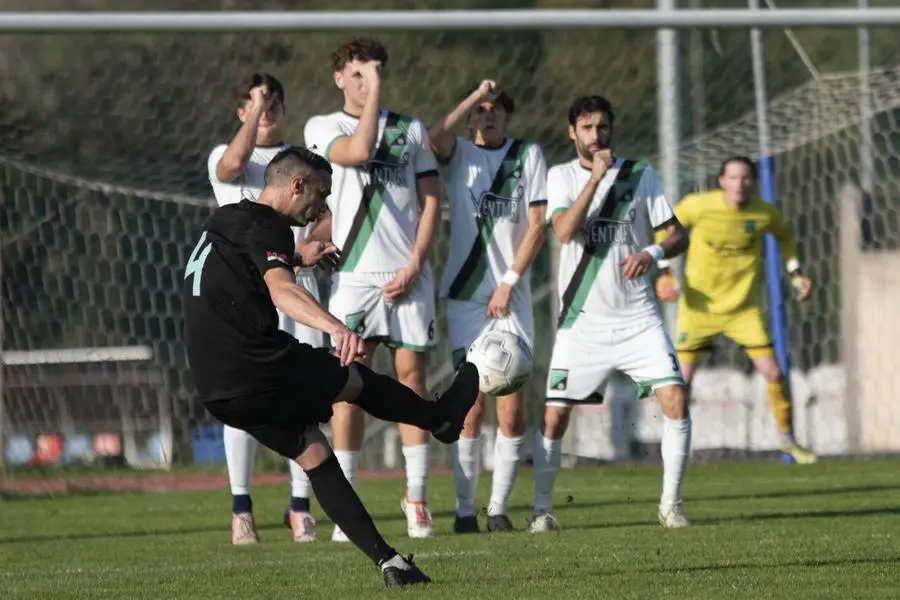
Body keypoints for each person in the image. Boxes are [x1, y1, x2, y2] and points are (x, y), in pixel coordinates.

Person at [183, 146, 479, 587]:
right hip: (255, 364)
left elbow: (250, 264)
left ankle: (391, 565)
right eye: (319, 195)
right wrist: (336, 328)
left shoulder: (228, 218)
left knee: (314, 452)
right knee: (355, 380)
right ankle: (441, 418)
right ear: (295, 185)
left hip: (216, 388)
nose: (322, 207)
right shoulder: (272, 228)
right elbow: (281, 291)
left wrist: (301, 257)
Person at [530, 95, 693, 532]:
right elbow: (564, 232)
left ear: (611, 129)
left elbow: (677, 236)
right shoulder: (561, 176)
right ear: (572, 133)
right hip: (581, 322)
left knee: (675, 398)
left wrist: (652, 251)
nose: (595, 135)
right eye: (586, 128)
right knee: (554, 415)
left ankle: (671, 506)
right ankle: (542, 509)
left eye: (601, 127)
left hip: (638, 319)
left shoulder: (641, 175)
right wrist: (595, 180)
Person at [303, 36, 442, 539]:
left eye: (376, 72)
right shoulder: (324, 127)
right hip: (354, 276)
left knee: (412, 380)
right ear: (340, 77)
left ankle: (419, 497)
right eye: (359, 74)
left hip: (407, 274)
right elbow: (359, 151)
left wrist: (416, 263)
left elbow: (430, 201)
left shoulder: (411, 130)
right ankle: (350, 501)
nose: (368, 82)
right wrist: (375, 93)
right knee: (348, 384)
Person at [207, 73, 337, 544]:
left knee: (306, 395)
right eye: (259, 103)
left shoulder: (298, 165)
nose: (269, 110)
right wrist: (256, 105)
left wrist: (314, 249)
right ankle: (242, 509)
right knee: (242, 399)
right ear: (242, 111)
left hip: (292, 288)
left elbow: (322, 218)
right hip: (245, 297)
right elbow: (232, 165)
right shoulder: (228, 155)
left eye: (276, 102)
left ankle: (300, 506)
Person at [427, 80, 548, 533]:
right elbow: (433, 136)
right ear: (472, 117)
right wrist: (471, 95)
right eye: (481, 110)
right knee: (470, 406)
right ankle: (463, 512)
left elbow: (537, 226)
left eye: (496, 108)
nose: (488, 114)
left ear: (507, 116)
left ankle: (497, 509)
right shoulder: (458, 155)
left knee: (511, 407)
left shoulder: (528, 156)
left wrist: (509, 281)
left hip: (510, 296)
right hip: (465, 297)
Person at [655, 156, 816, 464]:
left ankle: (787, 439)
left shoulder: (764, 213)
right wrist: (665, 272)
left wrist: (796, 273)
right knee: (682, 381)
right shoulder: (697, 206)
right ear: (721, 181)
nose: (739, 184)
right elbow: (666, 231)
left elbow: (785, 238)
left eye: (745, 178)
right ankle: (673, 446)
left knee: (773, 372)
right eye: (733, 177)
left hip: (743, 310)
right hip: (699, 308)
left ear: (753, 182)